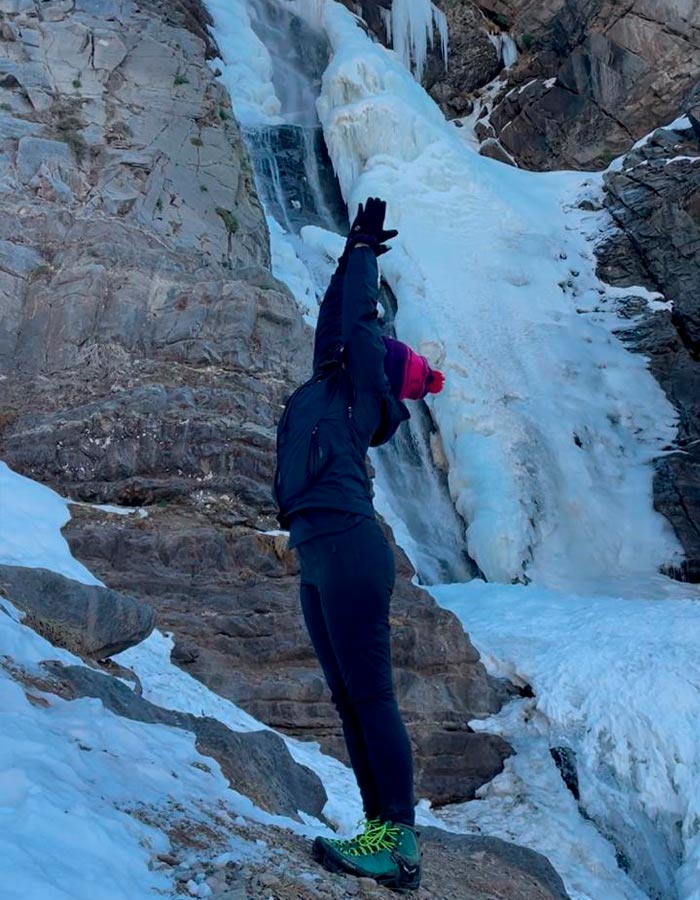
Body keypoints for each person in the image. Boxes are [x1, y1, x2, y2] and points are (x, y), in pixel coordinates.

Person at [273, 197, 444, 892]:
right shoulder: (331, 385)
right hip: (320, 549)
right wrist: (350, 253)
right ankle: (377, 830)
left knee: (370, 697)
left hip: (346, 543)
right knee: (348, 700)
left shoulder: (365, 388)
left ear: (379, 365)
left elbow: (356, 321)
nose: (345, 347)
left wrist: (368, 255)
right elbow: (334, 324)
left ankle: (400, 843)